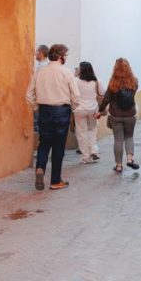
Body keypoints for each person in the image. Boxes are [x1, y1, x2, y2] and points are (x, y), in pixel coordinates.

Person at [26, 43, 79, 191]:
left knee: (44, 143)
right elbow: (76, 96)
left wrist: (37, 108)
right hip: (62, 111)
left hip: (44, 110)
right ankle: (55, 180)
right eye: (66, 55)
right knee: (58, 146)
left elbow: (29, 95)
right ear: (61, 56)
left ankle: (40, 168)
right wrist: (71, 108)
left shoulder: (40, 72)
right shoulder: (66, 72)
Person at [97, 58, 140, 174]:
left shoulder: (112, 83)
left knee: (118, 139)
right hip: (130, 115)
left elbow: (106, 99)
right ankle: (130, 159)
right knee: (129, 137)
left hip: (115, 116)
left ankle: (119, 165)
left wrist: (99, 110)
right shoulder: (134, 82)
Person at [75, 61, 102, 164]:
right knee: (92, 130)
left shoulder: (76, 81)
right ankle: (94, 151)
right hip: (92, 110)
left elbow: (72, 94)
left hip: (80, 110)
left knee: (81, 133)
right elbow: (103, 93)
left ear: (81, 70)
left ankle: (86, 157)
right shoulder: (96, 82)